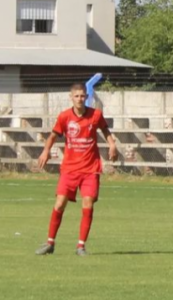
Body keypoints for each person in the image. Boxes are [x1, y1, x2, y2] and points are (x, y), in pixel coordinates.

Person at [35, 83, 118, 256]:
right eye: (77, 96)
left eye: (83, 96)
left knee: (87, 204)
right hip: (70, 169)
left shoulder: (95, 115)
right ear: (71, 97)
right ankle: (50, 243)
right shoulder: (64, 117)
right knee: (59, 203)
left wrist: (112, 145)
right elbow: (52, 136)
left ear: (87, 97)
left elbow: (105, 129)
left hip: (90, 169)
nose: (80, 99)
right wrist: (45, 151)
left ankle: (81, 246)